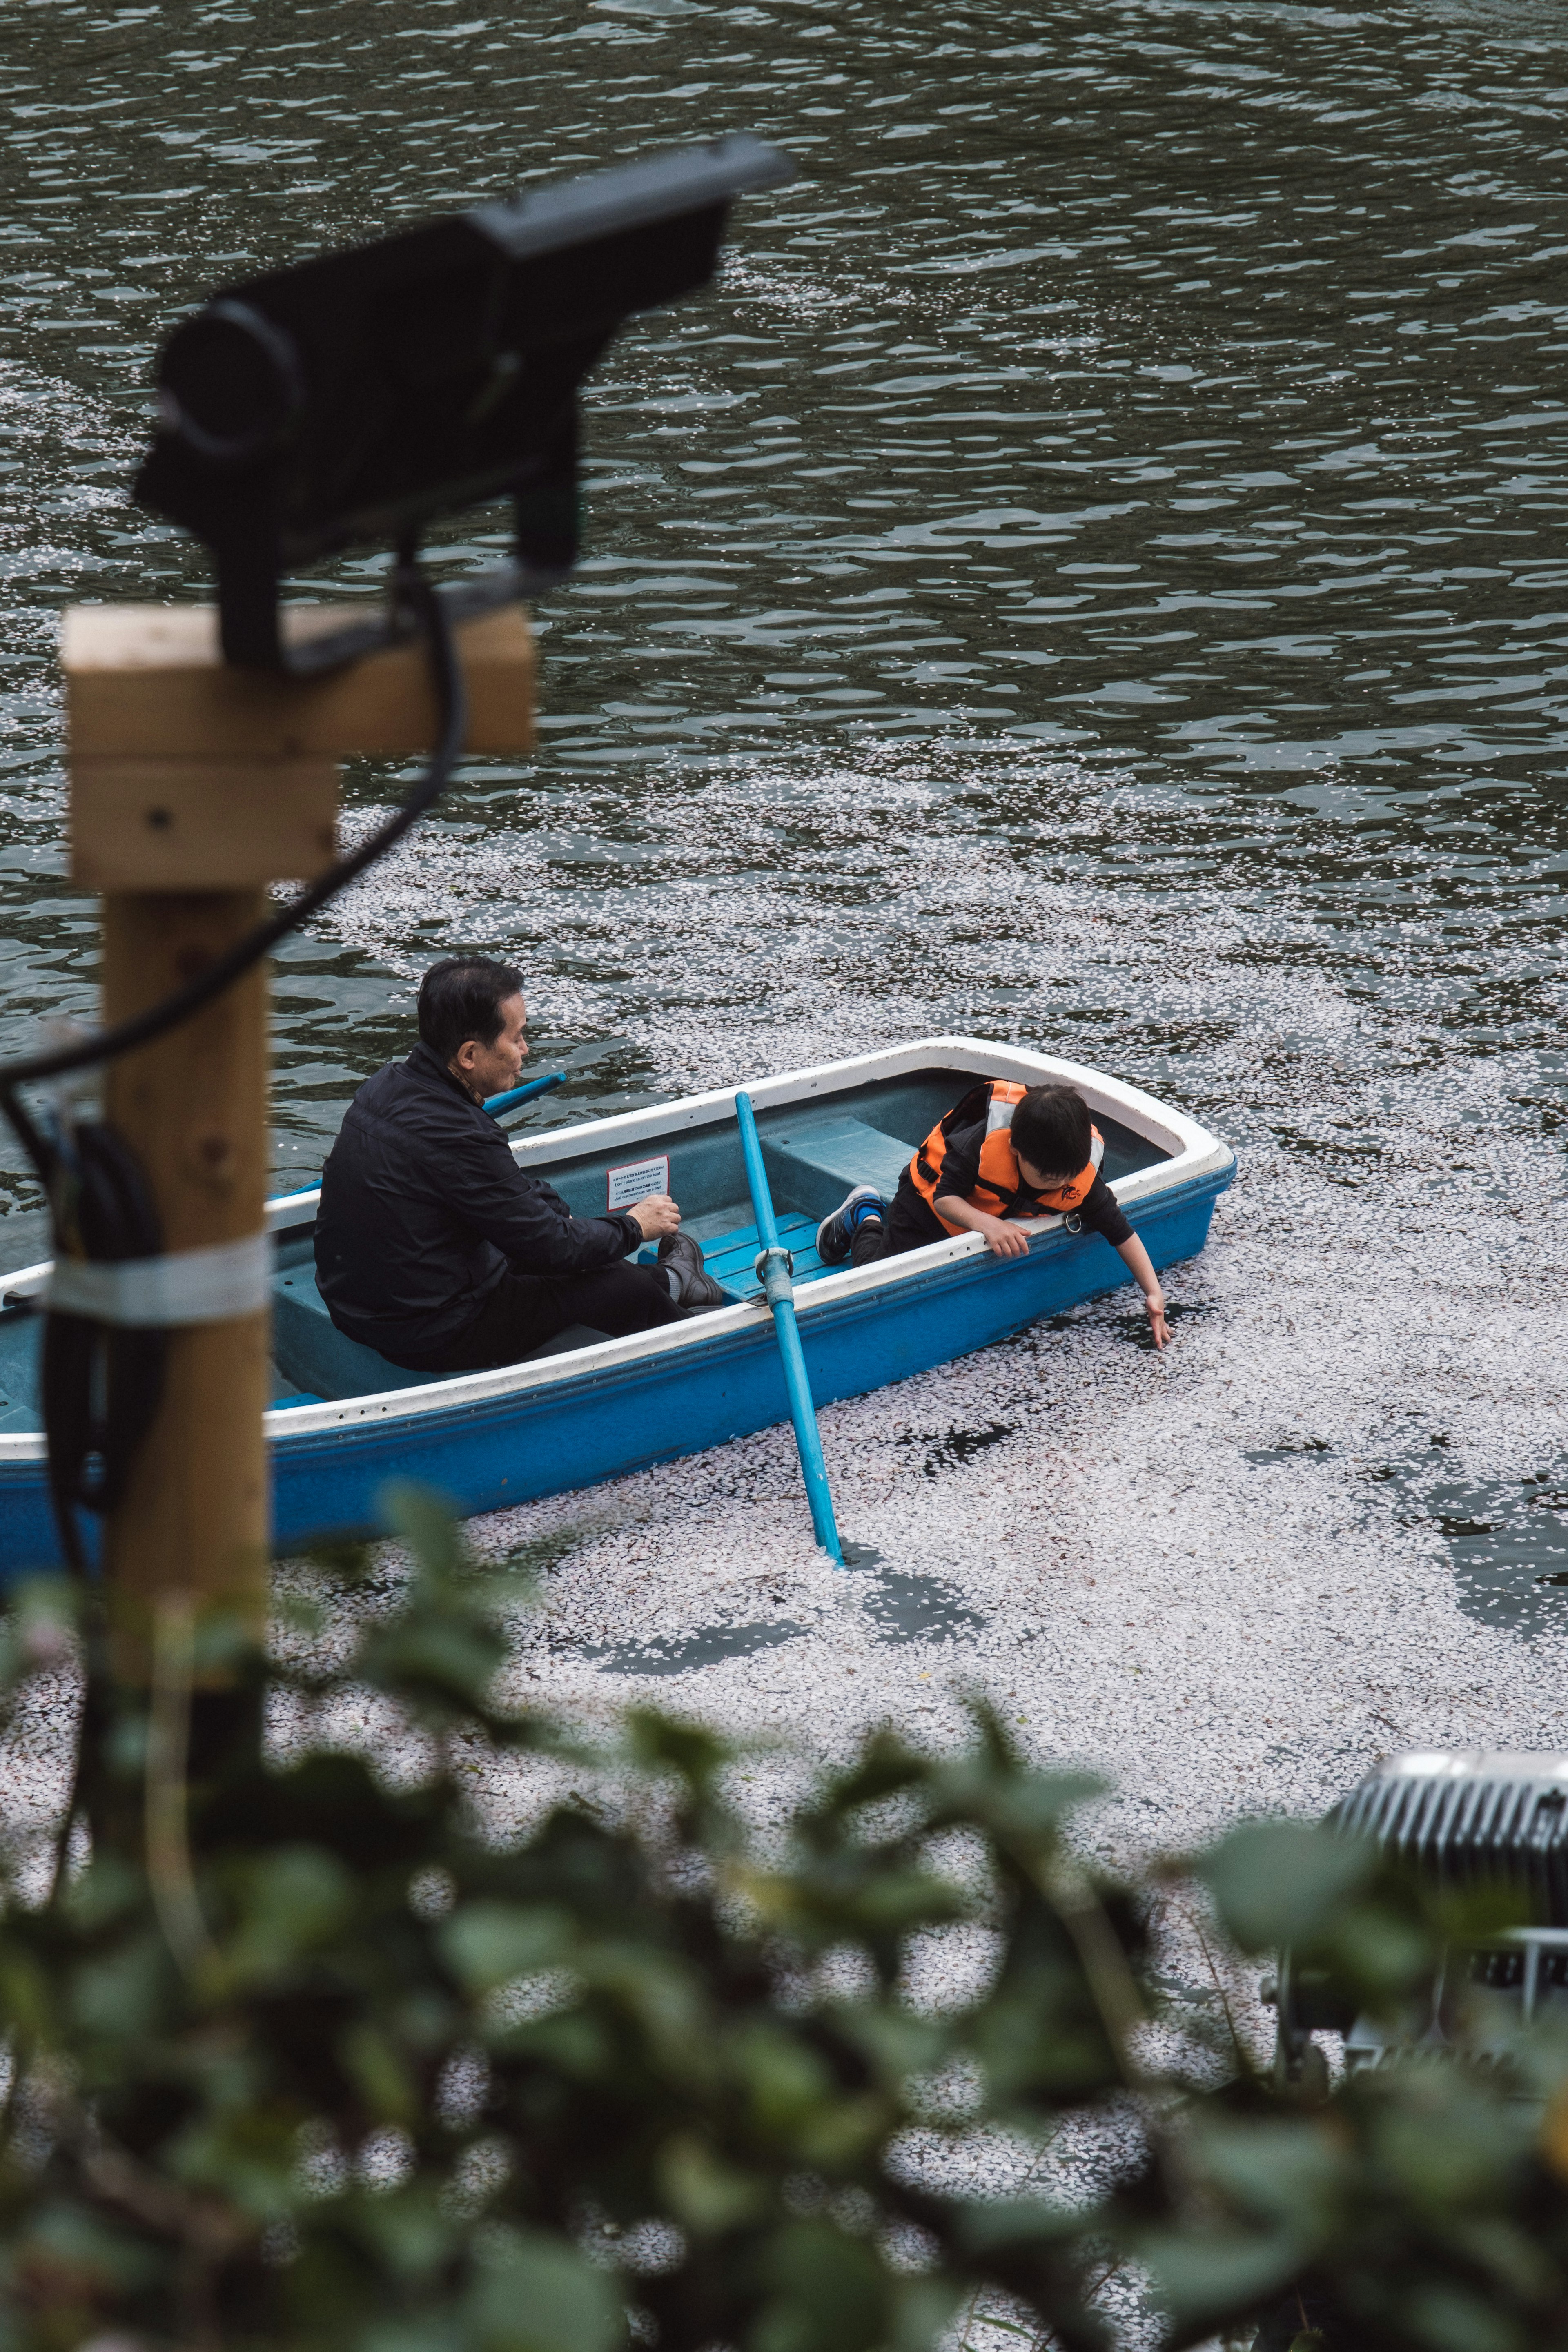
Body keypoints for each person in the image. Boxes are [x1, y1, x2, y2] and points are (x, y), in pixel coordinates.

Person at [315, 956, 726, 1374]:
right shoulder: (461, 1135)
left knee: (553, 1228)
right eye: (517, 1038)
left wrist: (556, 1213)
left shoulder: (385, 1086)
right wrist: (636, 1226)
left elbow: (502, 1193)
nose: (525, 1051)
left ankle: (674, 1282)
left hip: (357, 1309)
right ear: (470, 1055)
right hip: (430, 1332)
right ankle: (707, 1353)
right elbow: (554, 1248)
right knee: (612, 1284)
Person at [815, 1079, 1172, 1349]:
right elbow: (945, 1199)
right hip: (928, 1207)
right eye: (1047, 1178)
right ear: (1016, 1149)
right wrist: (987, 1224)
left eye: (1068, 1177)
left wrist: (1153, 1292)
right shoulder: (980, 1146)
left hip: (984, 1213)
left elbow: (1121, 1232)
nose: (1057, 1185)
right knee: (873, 1280)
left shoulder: (1077, 1176)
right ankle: (865, 1215)